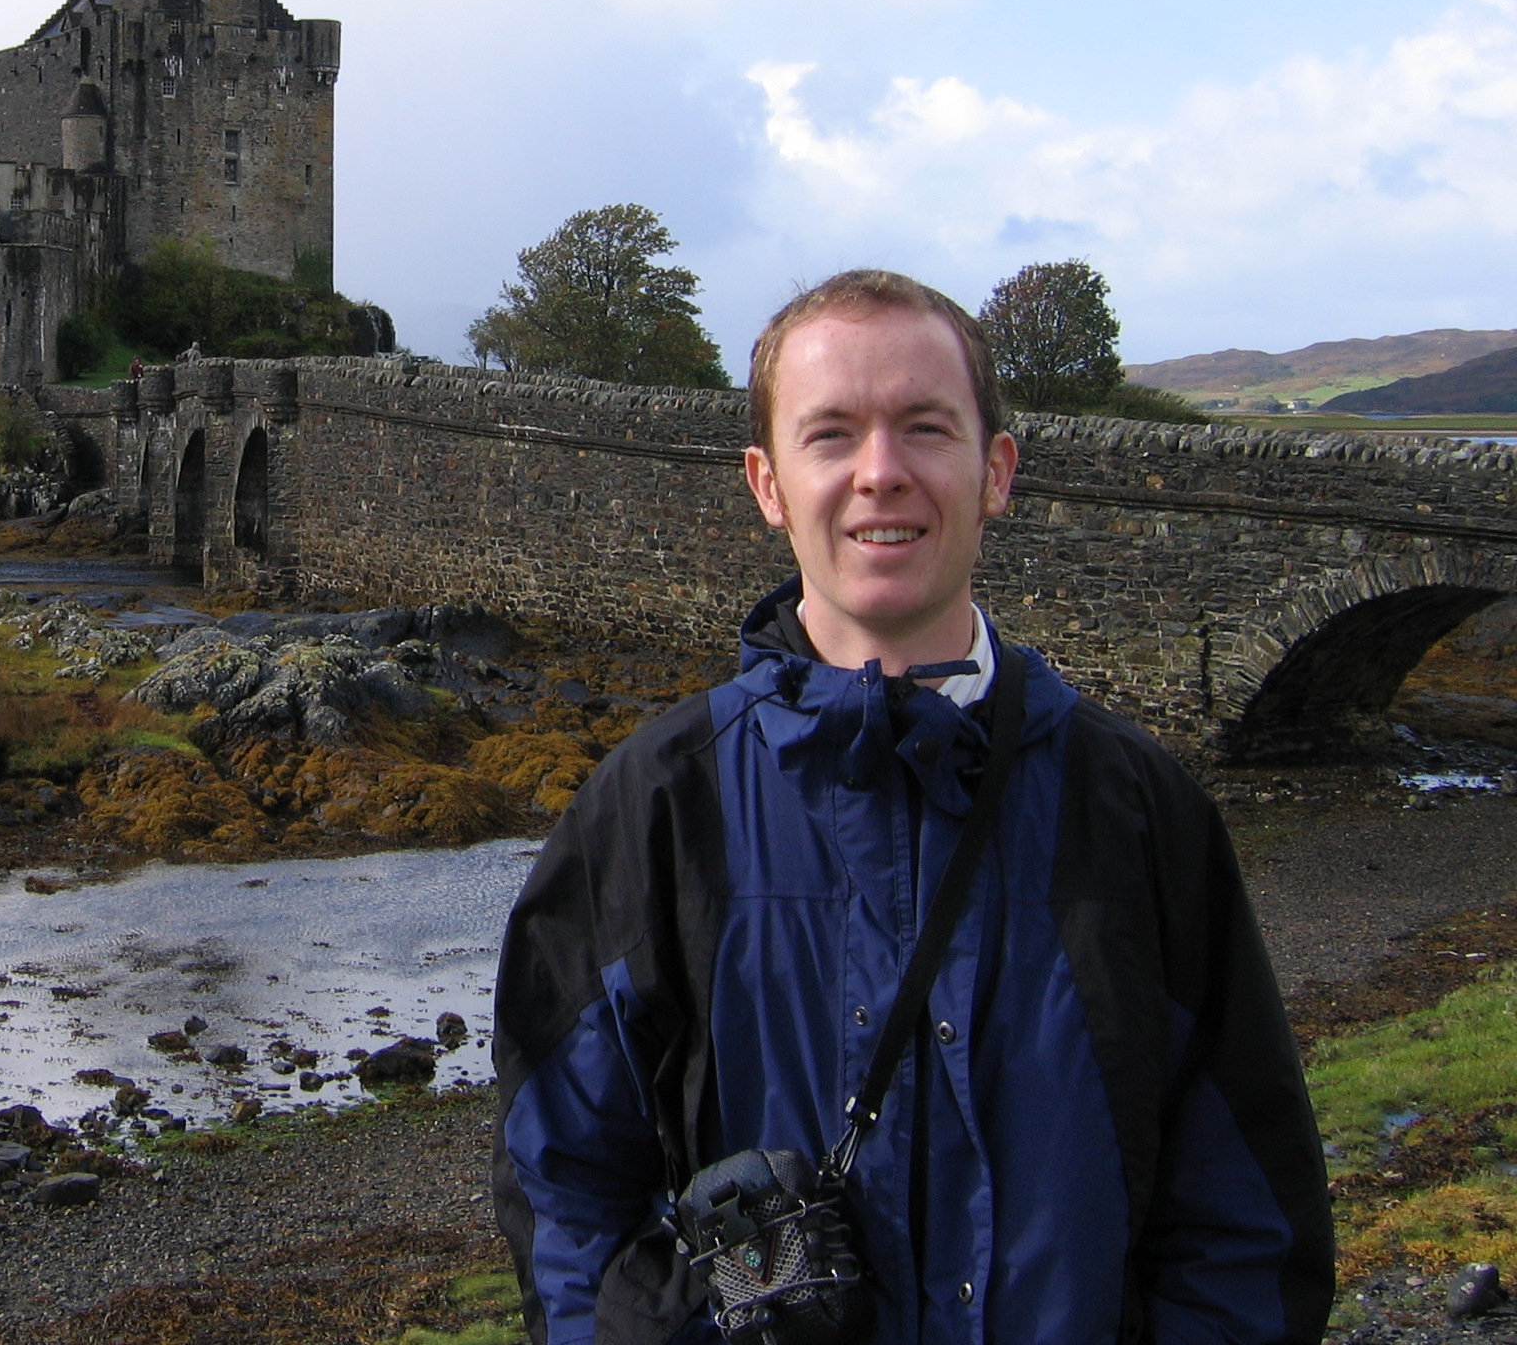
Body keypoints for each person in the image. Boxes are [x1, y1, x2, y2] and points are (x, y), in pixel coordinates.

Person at [490, 268, 1331, 1344]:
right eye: (831, 434)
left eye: (925, 428)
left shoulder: (1138, 808)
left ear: (996, 472)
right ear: (768, 484)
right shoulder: (652, 808)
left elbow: (1243, 1216)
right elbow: (564, 1194)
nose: (880, 473)